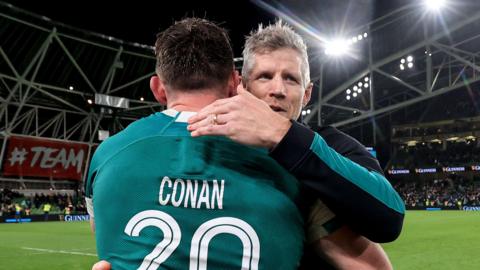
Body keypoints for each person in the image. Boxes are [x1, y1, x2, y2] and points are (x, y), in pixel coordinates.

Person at [86, 18, 305, 269]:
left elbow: (99, 228)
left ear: (157, 89)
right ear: (235, 83)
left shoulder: (108, 153)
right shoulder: (287, 158)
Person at [187, 21, 404, 269]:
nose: (277, 89)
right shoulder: (215, 143)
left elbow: (390, 218)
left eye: (290, 79)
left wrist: (284, 137)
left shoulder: (334, 146)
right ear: (243, 87)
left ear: (307, 93)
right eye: (265, 77)